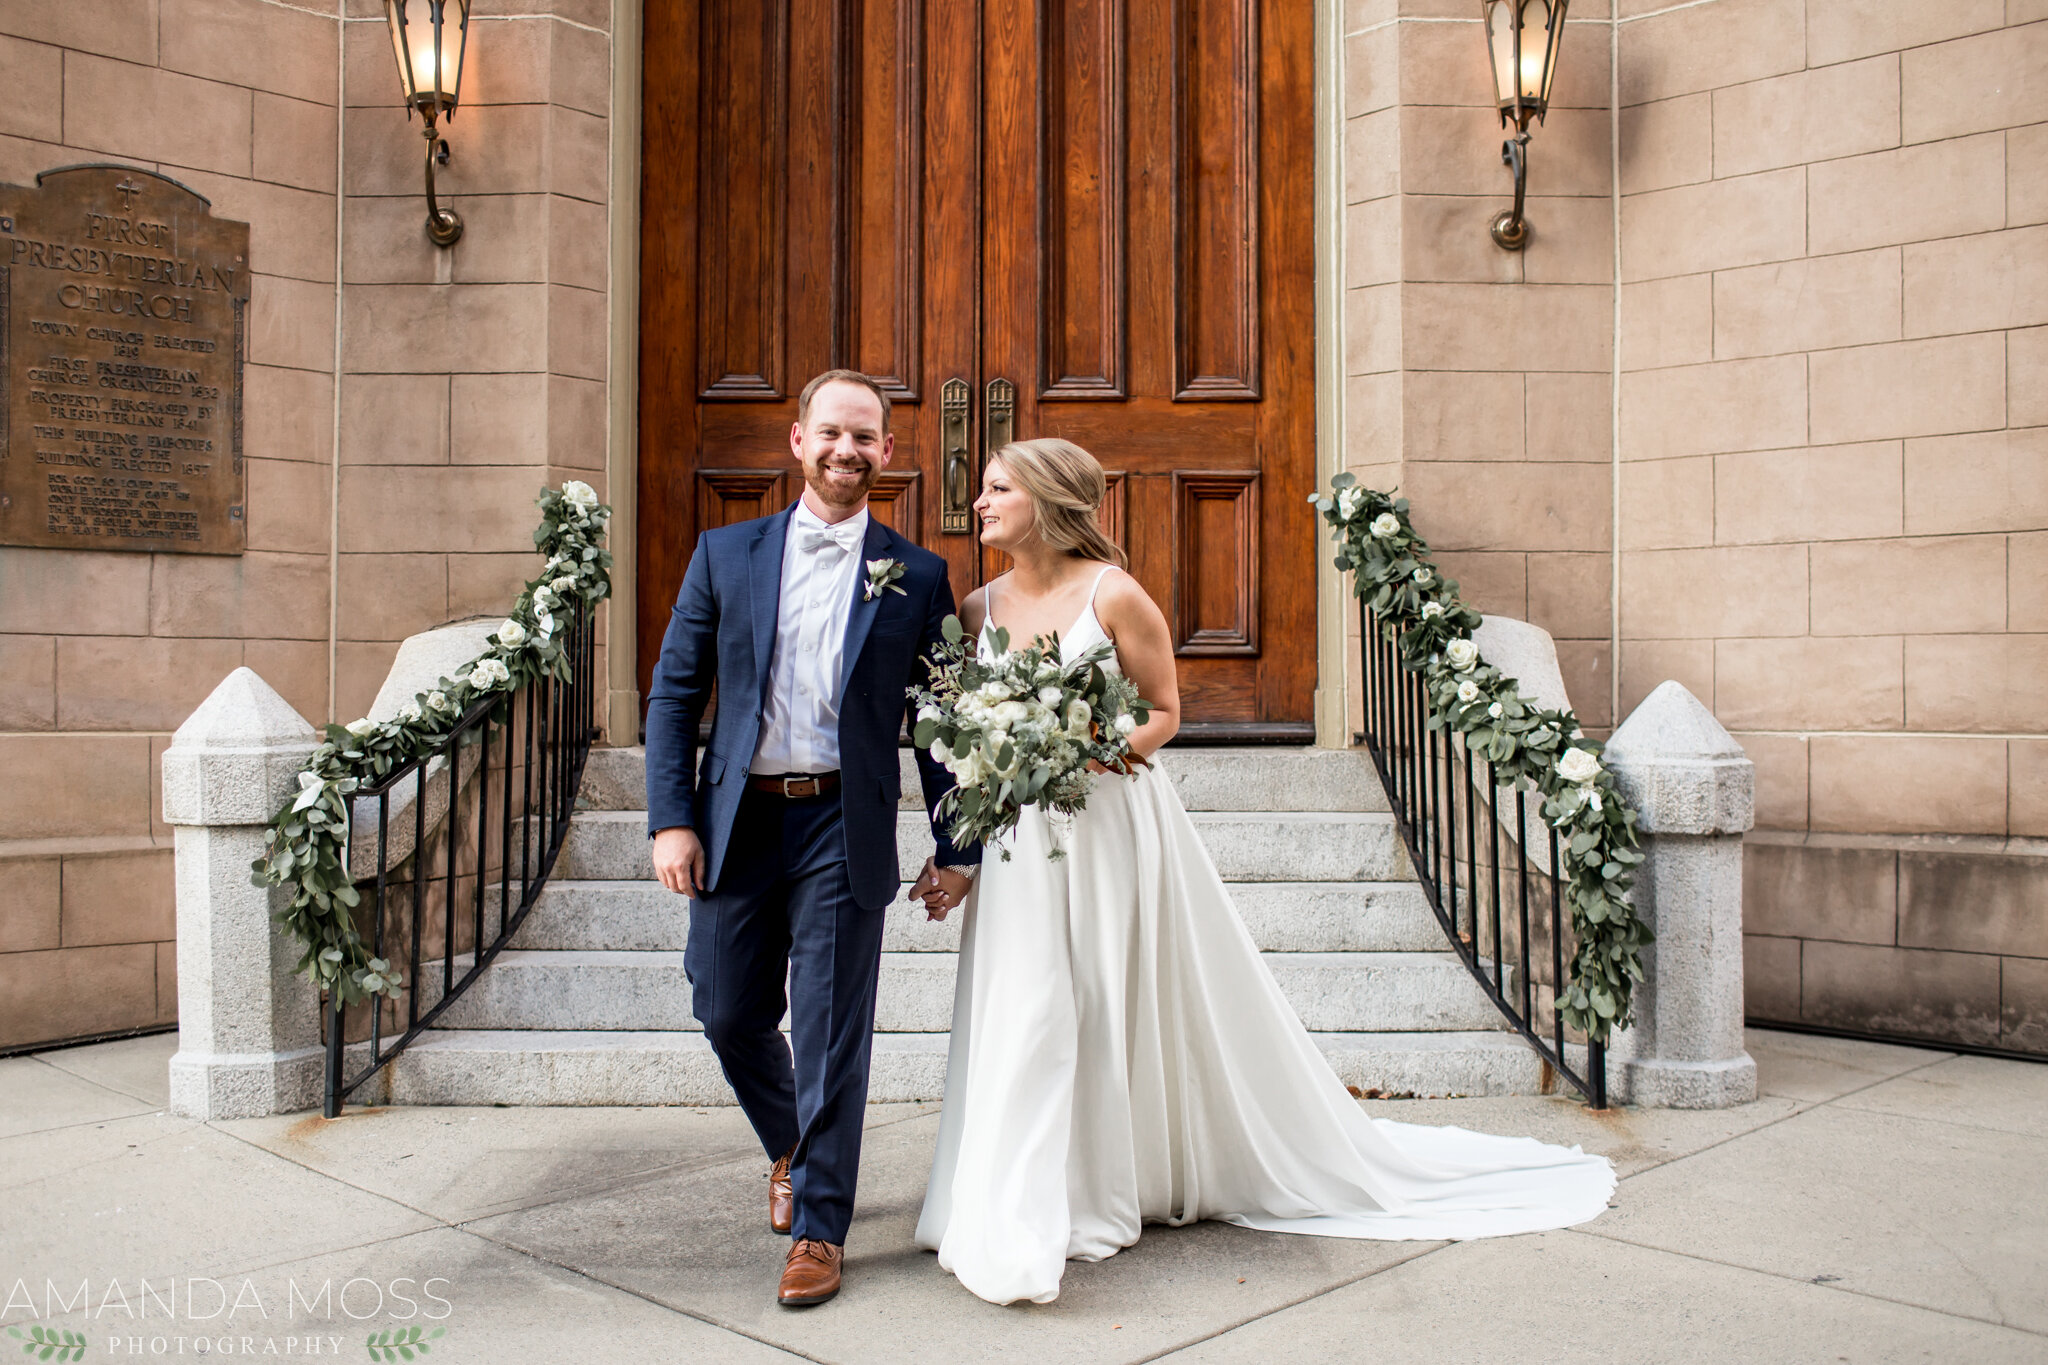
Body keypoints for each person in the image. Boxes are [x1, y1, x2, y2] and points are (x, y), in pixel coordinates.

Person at [911, 438, 1616, 1306]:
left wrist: (1082, 755)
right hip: (1022, 839)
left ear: (1048, 498)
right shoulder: (976, 608)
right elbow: (967, 736)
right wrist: (970, 837)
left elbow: (1164, 712)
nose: (978, 502)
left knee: (1092, 993)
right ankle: (1013, 1194)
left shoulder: (1114, 595)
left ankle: (1084, 1191)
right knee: (1025, 999)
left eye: (996, 488)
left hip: (1106, 825)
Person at [644, 369, 979, 1308]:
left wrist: (959, 846)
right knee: (724, 1007)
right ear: (798, 441)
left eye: (865, 437)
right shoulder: (724, 554)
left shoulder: (917, 575)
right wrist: (673, 817)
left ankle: (822, 1228)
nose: (847, 450)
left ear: (885, 452)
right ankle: (790, 1143)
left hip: (844, 822)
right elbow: (675, 693)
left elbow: (946, 722)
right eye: (830, 432)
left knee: (833, 1031)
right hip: (739, 819)